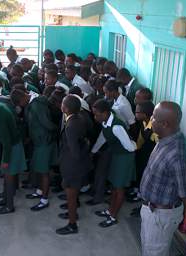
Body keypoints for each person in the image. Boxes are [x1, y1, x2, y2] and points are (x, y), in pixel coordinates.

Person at [139, 101, 186, 256]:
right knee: (149, 249)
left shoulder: (178, 154)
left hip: (160, 216)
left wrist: (180, 212)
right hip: (152, 211)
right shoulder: (164, 139)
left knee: (154, 252)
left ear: (165, 123)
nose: (151, 118)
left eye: (154, 117)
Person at [92, 99, 136, 227]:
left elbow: (130, 147)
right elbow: (102, 137)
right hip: (117, 156)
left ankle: (113, 217)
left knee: (119, 188)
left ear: (105, 113)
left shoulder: (116, 126)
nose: (95, 117)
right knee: (114, 186)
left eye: (97, 114)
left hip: (124, 158)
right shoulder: (105, 122)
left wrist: (134, 144)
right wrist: (94, 151)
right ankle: (109, 210)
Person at [10, 89, 57, 211]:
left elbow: (47, 123)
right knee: (39, 169)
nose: (22, 106)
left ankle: (44, 199)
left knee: (44, 171)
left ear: (23, 98)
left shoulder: (36, 105)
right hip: (38, 141)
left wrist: (54, 133)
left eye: (21, 103)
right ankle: (40, 191)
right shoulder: (33, 104)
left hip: (44, 142)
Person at [56, 95, 91, 235]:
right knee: (73, 195)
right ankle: (72, 213)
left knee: (70, 196)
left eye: (62, 103)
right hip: (79, 164)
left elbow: (75, 152)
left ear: (66, 108)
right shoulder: (79, 118)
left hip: (72, 166)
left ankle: (72, 224)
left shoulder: (70, 126)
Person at [129, 101, 158, 207]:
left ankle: (142, 196)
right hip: (143, 154)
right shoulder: (144, 123)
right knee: (139, 170)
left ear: (145, 114)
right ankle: (138, 191)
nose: (135, 114)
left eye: (137, 112)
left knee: (146, 174)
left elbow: (158, 145)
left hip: (151, 157)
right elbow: (141, 139)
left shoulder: (154, 128)